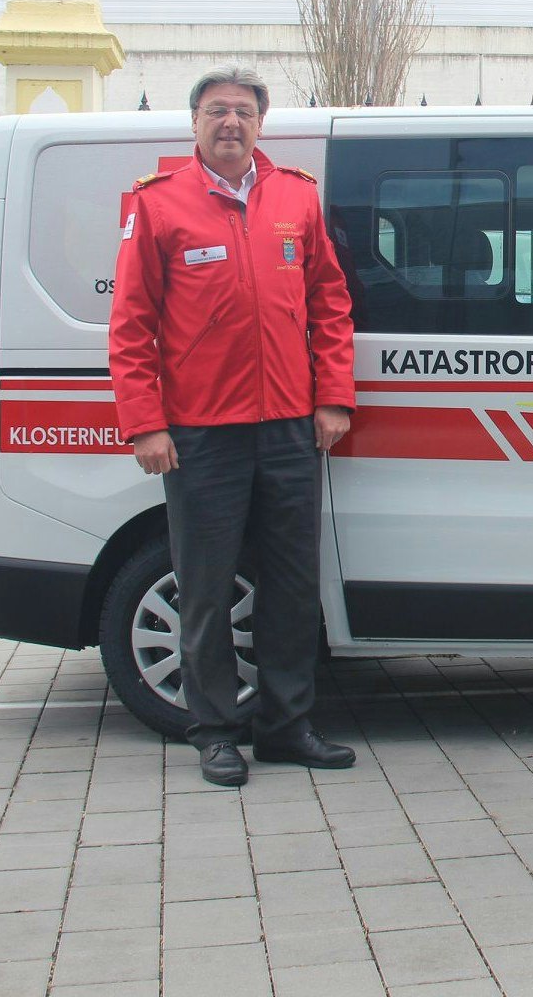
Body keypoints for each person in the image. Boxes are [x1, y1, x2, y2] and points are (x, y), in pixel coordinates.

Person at [109, 65, 358, 787]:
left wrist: (332, 397)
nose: (230, 123)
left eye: (243, 112)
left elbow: (329, 303)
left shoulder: (294, 198)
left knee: (288, 582)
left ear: (260, 123)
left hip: (289, 428)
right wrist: (146, 426)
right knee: (208, 586)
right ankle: (214, 728)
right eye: (217, 111)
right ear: (194, 124)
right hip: (199, 432)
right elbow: (131, 327)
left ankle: (285, 726)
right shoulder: (162, 207)